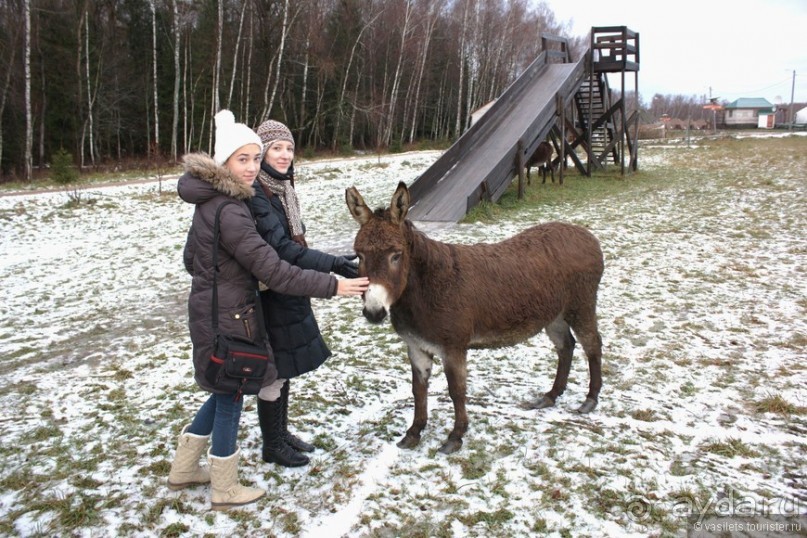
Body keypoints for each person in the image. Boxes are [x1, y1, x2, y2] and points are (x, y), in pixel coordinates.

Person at [167, 109, 368, 511]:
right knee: (231, 395)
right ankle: (224, 488)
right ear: (223, 162)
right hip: (231, 315)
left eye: (255, 158)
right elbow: (273, 270)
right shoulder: (231, 210)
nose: (252, 167)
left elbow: (192, 260)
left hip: (215, 308)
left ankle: (184, 468)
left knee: (224, 388)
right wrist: (335, 285)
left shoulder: (213, 202)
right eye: (243, 159)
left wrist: (220, 275)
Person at [249, 119, 360, 467]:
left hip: (289, 287)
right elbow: (283, 249)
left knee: (286, 365)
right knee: (274, 370)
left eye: (289, 148)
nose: (285, 155)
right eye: (276, 149)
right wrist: (333, 264)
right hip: (272, 292)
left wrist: (327, 263)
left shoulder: (282, 190)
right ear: (262, 153)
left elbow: (292, 244)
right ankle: (272, 444)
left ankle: (281, 433)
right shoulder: (257, 194)